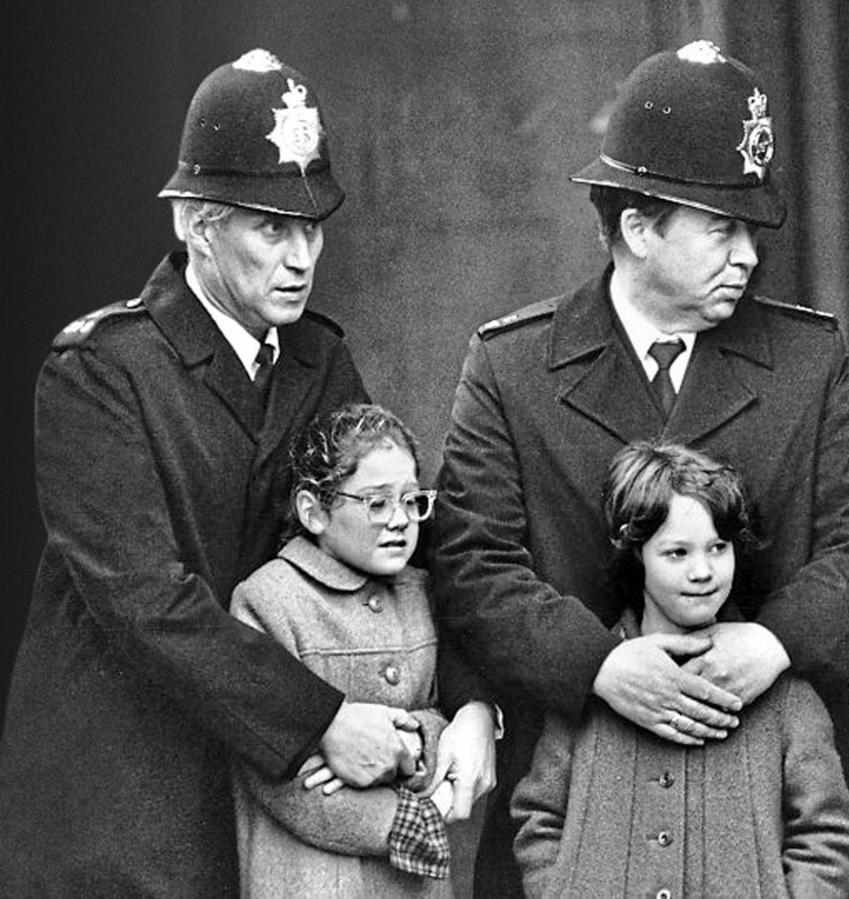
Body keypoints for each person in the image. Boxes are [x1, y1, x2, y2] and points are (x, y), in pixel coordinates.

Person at [0, 49, 494, 897]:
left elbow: (407, 527)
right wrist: (323, 719)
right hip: (123, 810)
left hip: (269, 810)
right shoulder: (101, 370)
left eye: (313, 226)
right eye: (272, 227)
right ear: (197, 225)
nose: (302, 255)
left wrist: (478, 704)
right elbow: (149, 603)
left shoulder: (315, 359)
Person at [429, 39, 849, 897]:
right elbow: (472, 563)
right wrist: (600, 665)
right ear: (638, 226)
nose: (749, 257)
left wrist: (772, 642)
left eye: (751, 231)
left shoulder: (807, 357)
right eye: (721, 229)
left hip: (776, 806)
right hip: (581, 798)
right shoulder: (511, 368)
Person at [511, 441, 849, 897]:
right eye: (677, 553)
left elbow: (827, 834)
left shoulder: (785, 695)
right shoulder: (591, 683)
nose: (703, 571)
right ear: (636, 552)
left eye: (718, 547)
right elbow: (539, 817)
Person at [230, 403, 468, 897]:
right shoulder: (268, 600)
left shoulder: (423, 591)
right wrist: (405, 816)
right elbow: (277, 770)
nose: (400, 520)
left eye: (411, 501)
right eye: (377, 503)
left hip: (414, 886)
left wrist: (412, 744)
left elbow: (447, 715)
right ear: (314, 511)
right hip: (312, 880)